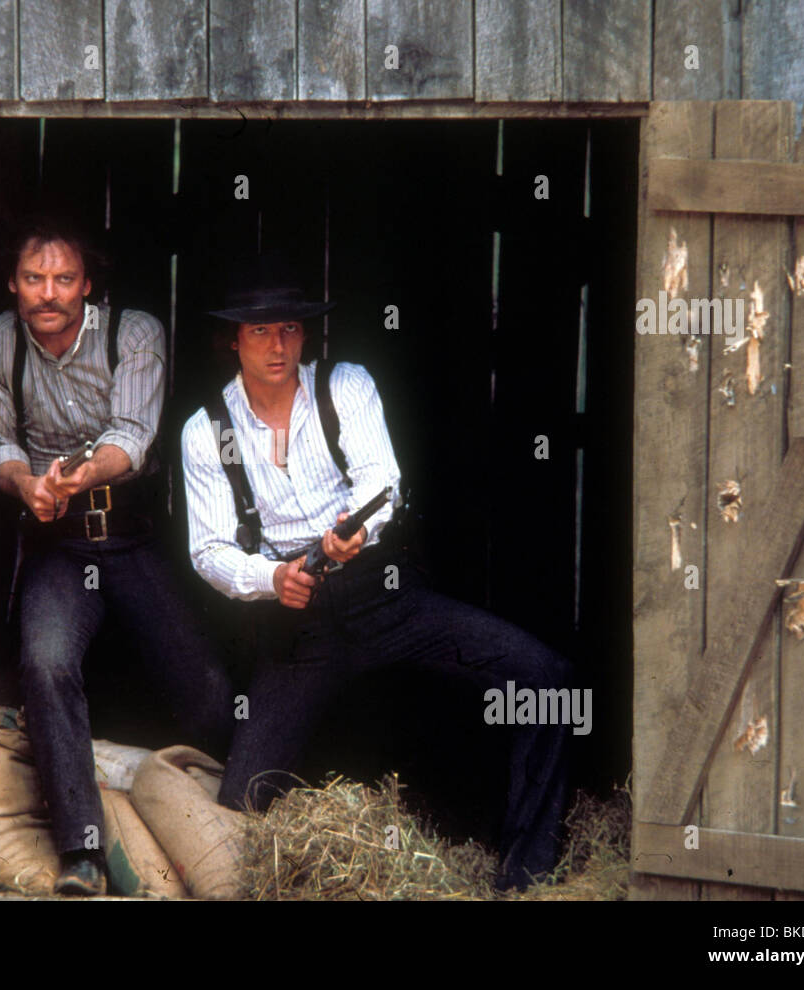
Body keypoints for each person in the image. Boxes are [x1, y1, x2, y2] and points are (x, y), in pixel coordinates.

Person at [179, 253, 572, 891]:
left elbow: (382, 485)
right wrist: (271, 579)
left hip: (387, 598)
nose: (277, 345)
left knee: (545, 679)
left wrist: (353, 535)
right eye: (260, 331)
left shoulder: (345, 385)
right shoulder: (207, 429)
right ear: (233, 340)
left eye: (290, 329)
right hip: (297, 625)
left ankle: (526, 875)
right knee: (240, 806)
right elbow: (209, 549)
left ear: (304, 334)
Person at [0, 215, 233, 896]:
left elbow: (132, 435)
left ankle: (234, 827)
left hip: (133, 532)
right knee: (46, 664)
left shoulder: (134, 332)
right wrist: (25, 484)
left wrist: (78, 476)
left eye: (64, 279)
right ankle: (82, 854)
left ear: (88, 285)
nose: (49, 293)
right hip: (56, 541)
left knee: (204, 686)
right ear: (13, 283)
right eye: (34, 278)